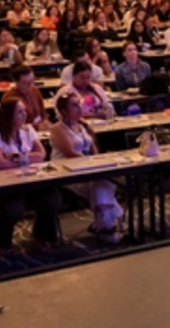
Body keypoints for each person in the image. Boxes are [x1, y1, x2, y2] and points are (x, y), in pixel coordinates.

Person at [0, 99, 61, 252]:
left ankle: (42, 236)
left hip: (28, 180)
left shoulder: (28, 130)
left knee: (52, 198)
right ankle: (2, 243)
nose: (25, 114)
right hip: (2, 184)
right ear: (8, 115)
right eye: (20, 111)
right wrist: (24, 160)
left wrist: (14, 157)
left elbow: (41, 155)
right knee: (13, 207)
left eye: (24, 110)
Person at [49, 92, 122, 244]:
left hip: (86, 168)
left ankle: (103, 223)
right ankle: (106, 225)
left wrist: (97, 161)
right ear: (63, 111)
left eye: (79, 104)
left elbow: (94, 149)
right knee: (99, 183)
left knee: (103, 180)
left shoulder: (82, 126)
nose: (79, 108)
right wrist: (91, 162)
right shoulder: (57, 128)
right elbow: (70, 152)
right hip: (66, 173)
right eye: (74, 105)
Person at [2, 64, 51, 131]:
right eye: (25, 83)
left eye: (32, 81)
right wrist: (36, 127)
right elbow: (13, 124)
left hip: (41, 129)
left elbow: (43, 111)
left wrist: (45, 121)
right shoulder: (9, 97)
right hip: (24, 132)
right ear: (16, 82)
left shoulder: (34, 90)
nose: (30, 86)